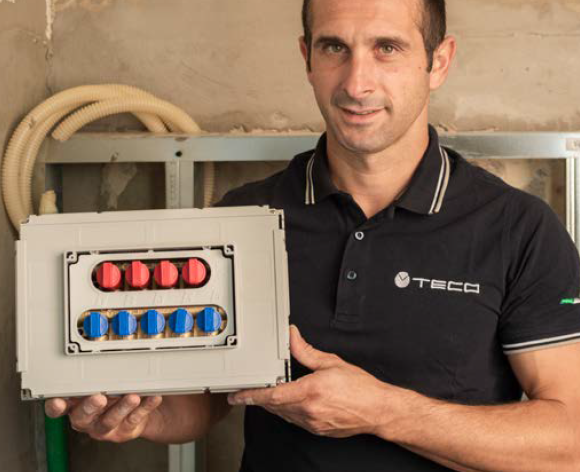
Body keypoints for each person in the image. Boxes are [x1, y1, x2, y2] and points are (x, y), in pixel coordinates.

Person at [46, 0, 580, 470]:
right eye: (334, 48)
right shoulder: (243, 218)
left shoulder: (519, 228)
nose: (356, 83)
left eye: (387, 48)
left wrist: (383, 412)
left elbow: (569, 443)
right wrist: (143, 417)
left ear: (438, 61)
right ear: (307, 57)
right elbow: (208, 399)